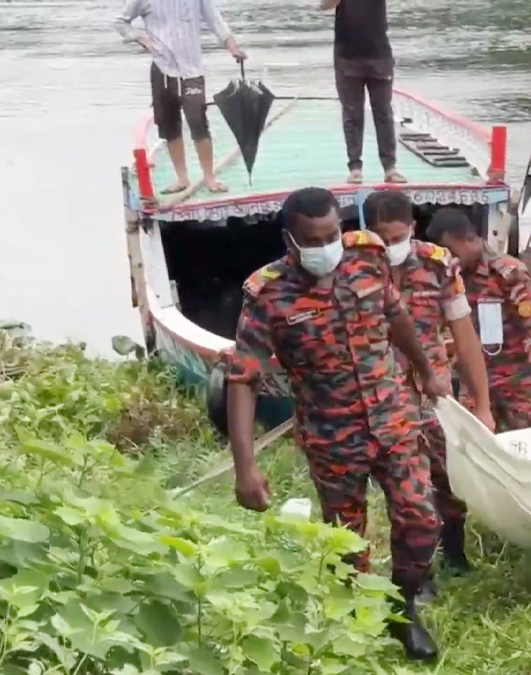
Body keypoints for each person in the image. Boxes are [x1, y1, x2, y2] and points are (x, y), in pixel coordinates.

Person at [226, 187, 445, 661]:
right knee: (347, 543)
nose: (328, 246)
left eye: (334, 234)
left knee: (422, 522)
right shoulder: (268, 294)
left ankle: (402, 609)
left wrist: (425, 368)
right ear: (290, 240)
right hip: (332, 438)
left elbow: (395, 315)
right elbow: (243, 379)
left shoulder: (367, 259)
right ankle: (352, 624)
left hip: (395, 420)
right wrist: (245, 467)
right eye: (315, 239)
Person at [363, 191, 494, 583]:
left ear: (413, 229)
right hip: (380, 395)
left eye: (398, 236)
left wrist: (482, 402)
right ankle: (418, 574)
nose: (391, 246)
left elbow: (463, 333)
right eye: (382, 237)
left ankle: (454, 551)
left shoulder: (438, 266)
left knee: (448, 478)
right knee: (407, 489)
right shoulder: (355, 267)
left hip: (434, 391)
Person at [427, 208, 531, 429]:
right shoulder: (449, 279)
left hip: (517, 386)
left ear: (470, 240)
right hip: (474, 389)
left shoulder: (508, 274)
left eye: (450, 251)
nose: (448, 258)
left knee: (526, 449)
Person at [114, 0, 247, 195]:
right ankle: (182, 178)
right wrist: (141, 38)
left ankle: (209, 177)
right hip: (162, 67)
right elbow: (120, 21)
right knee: (169, 124)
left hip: (191, 69)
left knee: (197, 120)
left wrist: (233, 48)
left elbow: (215, 21)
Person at [321, 0, 406, 185]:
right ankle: (355, 168)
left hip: (379, 54)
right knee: (352, 113)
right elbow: (324, 5)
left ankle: (390, 167)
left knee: (383, 112)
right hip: (347, 56)